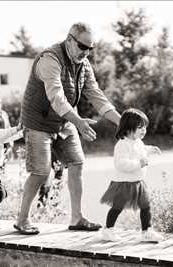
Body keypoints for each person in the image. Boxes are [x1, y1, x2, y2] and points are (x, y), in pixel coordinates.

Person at [14, 22, 121, 235]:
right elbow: (58, 99)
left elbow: (96, 96)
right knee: (41, 172)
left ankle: (77, 218)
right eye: (83, 47)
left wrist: (123, 122)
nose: (87, 52)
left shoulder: (84, 64)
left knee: (77, 163)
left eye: (91, 48)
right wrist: (79, 122)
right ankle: (22, 219)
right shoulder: (49, 59)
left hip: (63, 122)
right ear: (70, 39)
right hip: (38, 123)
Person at [99, 108, 165, 242]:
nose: (143, 130)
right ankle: (108, 230)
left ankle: (146, 231)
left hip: (138, 182)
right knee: (117, 207)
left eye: (145, 127)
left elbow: (140, 150)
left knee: (146, 206)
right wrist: (138, 163)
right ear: (128, 128)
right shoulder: (122, 145)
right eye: (140, 127)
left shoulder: (138, 142)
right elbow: (121, 164)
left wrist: (150, 149)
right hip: (123, 183)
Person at [0, 97, 13, 174]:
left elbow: (8, 125)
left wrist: (11, 138)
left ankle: (2, 171)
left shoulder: (4, 113)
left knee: (5, 156)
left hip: (5, 138)